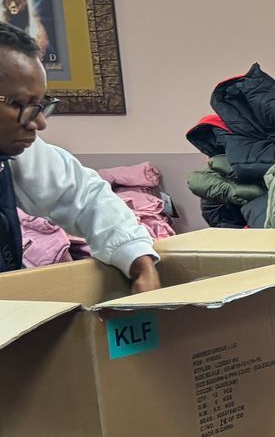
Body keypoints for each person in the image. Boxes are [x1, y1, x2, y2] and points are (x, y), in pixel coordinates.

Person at [0, 22, 160, 289]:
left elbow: (84, 197)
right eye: (24, 105)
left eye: (41, 106)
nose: (40, 123)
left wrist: (140, 262)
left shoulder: (14, 155)